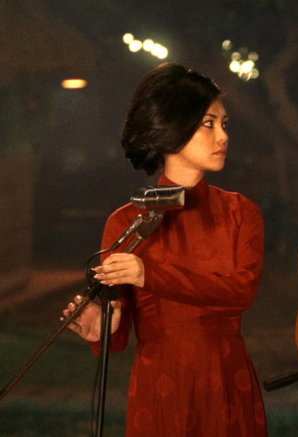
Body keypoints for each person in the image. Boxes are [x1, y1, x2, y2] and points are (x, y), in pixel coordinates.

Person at [62, 63, 267, 437]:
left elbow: (241, 292)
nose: (223, 136)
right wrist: (103, 330)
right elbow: (120, 334)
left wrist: (149, 274)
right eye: (209, 124)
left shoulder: (240, 212)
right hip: (158, 386)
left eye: (224, 124)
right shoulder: (126, 222)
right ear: (172, 128)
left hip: (226, 381)